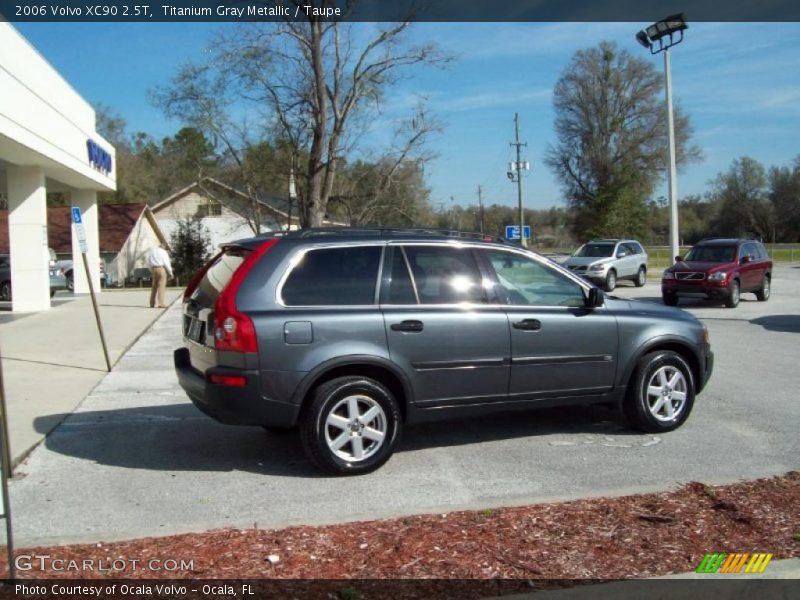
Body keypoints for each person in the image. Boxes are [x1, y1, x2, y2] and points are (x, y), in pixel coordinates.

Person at [147, 243, 173, 308]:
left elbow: (148, 262)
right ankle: (161, 303)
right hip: (161, 268)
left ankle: (152, 303)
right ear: (164, 248)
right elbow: (166, 262)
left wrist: (151, 270)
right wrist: (170, 272)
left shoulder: (152, 251)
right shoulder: (163, 252)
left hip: (153, 269)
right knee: (161, 286)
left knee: (154, 286)